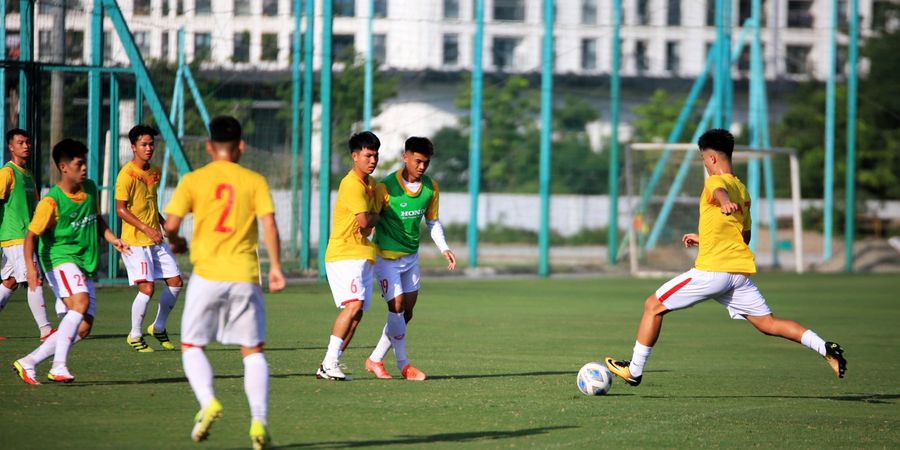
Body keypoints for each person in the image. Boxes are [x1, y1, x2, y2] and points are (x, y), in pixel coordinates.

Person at [605, 129, 847, 386]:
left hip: (713, 272)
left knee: (652, 306)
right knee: (768, 324)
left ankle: (635, 370)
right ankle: (825, 348)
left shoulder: (714, 182)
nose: (704, 164)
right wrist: (704, 238)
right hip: (738, 275)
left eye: (702, 158)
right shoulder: (742, 191)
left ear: (711, 159)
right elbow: (744, 237)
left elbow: (719, 190)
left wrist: (723, 202)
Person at [164, 115, 284, 450]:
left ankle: (208, 402)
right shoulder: (254, 180)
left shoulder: (193, 180)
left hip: (207, 275)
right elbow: (270, 225)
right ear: (241, 147)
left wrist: (176, 242)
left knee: (191, 345)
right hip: (245, 275)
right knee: (253, 351)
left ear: (208, 146)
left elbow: (170, 225)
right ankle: (258, 421)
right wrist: (275, 266)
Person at [12, 139, 130, 384]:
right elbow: (30, 236)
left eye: (85, 162)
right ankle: (59, 366)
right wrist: (31, 267)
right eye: (79, 163)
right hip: (58, 258)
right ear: (64, 167)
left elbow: (96, 220)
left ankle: (29, 361)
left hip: (82, 261)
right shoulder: (51, 202)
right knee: (80, 302)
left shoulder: (90, 189)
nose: (84, 167)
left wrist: (112, 239)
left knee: (84, 327)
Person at [364, 137, 456, 381]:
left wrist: (444, 248)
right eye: (417, 161)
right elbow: (370, 220)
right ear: (405, 157)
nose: (422, 167)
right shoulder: (386, 188)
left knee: (406, 313)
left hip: (411, 258)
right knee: (396, 307)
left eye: (426, 162)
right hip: (386, 258)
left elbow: (432, 221)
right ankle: (404, 365)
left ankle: (374, 359)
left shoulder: (430, 188)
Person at [317, 131, 380, 381]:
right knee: (352, 305)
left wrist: (373, 218)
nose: (372, 160)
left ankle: (329, 364)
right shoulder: (351, 184)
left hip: (363, 253)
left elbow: (368, 223)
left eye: (375, 155)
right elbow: (366, 221)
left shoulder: (372, 185)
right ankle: (330, 361)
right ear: (355, 156)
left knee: (358, 311)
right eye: (367, 155)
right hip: (344, 252)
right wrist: (379, 216)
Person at [117, 125, 183, 352]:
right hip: (135, 242)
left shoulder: (154, 172)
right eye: (144, 144)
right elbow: (121, 209)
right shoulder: (126, 175)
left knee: (176, 282)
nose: (148, 148)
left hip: (155, 238)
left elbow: (151, 205)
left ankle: (159, 326)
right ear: (133, 147)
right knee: (147, 289)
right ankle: (135, 334)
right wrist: (147, 228)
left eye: (151, 144)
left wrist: (164, 226)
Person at [0, 129, 53, 340]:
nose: (26, 146)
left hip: (25, 236)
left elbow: (37, 207)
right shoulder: (7, 173)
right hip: (16, 237)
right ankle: (46, 330)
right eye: (20, 143)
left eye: (28, 142)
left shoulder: (28, 175)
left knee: (11, 282)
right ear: (10, 147)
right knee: (35, 278)